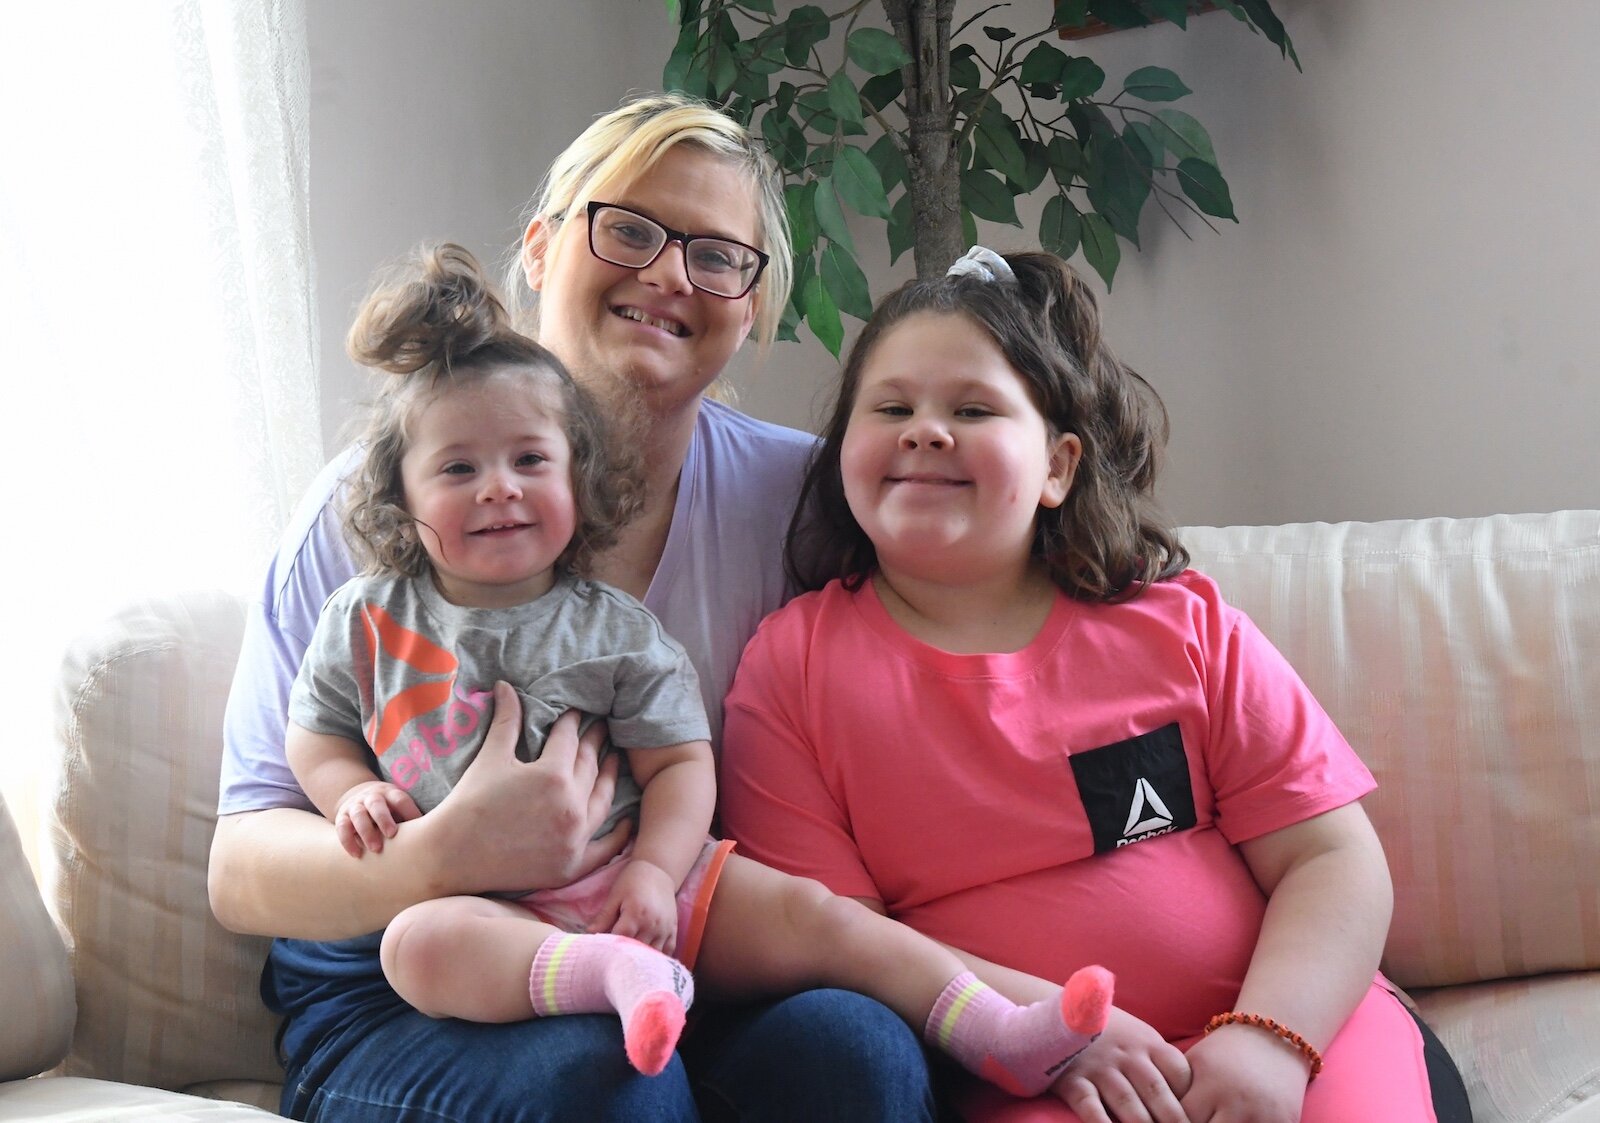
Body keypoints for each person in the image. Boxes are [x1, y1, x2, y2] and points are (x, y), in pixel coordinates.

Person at [209, 93, 939, 1121]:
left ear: (752, 305)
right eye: (628, 228)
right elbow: (241, 869)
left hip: (657, 933)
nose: (668, 273)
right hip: (407, 986)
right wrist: (439, 853)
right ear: (544, 249)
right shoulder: (375, 506)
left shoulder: (804, 504)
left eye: (717, 255)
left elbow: (995, 587)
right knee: (608, 1082)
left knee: (859, 1056)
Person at [285, 240, 1113, 1091]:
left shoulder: (615, 628)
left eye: (530, 460)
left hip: (629, 879)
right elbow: (315, 734)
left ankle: (995, 1028)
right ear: (401, 492)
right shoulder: (368, 616)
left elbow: (681, 762)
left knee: (813, 912)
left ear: (582, 479)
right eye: (459, 468)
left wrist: (651, 869)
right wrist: (349, 790)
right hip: (481, 912)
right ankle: (612, 977)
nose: (499, 487)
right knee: (412, 949)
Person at [719, 247, 1474, 1123]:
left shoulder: (1178, 624)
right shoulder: (791, 670)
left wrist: (1269, 1035)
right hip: (1038, 1080)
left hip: (1296, 1035)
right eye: (891, 407)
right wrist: (1045, 1031)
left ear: (1057, 468)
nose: (926, 429)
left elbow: (1332, 857)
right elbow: (844, 945)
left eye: (972, 408)